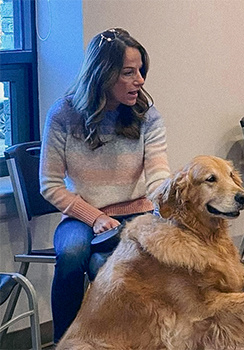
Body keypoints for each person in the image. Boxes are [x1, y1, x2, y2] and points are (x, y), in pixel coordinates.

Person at [39, 27, 170, 342]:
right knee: (72, 254)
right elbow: (50, 184)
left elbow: (159, 177)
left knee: (104, 265)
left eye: (141, 71)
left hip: (137, 214)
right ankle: (65, 342)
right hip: (83, 216)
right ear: (103, 73)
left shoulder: (146, 116)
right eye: (129, 73)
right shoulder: (63, 115)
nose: (139, 80)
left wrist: (167, 212)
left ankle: (128, 342)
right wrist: (95, 217)